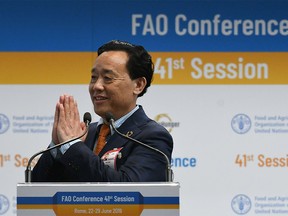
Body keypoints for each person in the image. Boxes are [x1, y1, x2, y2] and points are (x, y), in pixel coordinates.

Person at [32, 40, 173, 182]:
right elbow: (37, 189)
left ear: (138, 85)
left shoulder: (152, 137)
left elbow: (130, 191)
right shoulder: (83, 133)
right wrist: (57, 147)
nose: (97, 86)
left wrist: (72, 146)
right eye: (93, 78)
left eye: (108, 78)